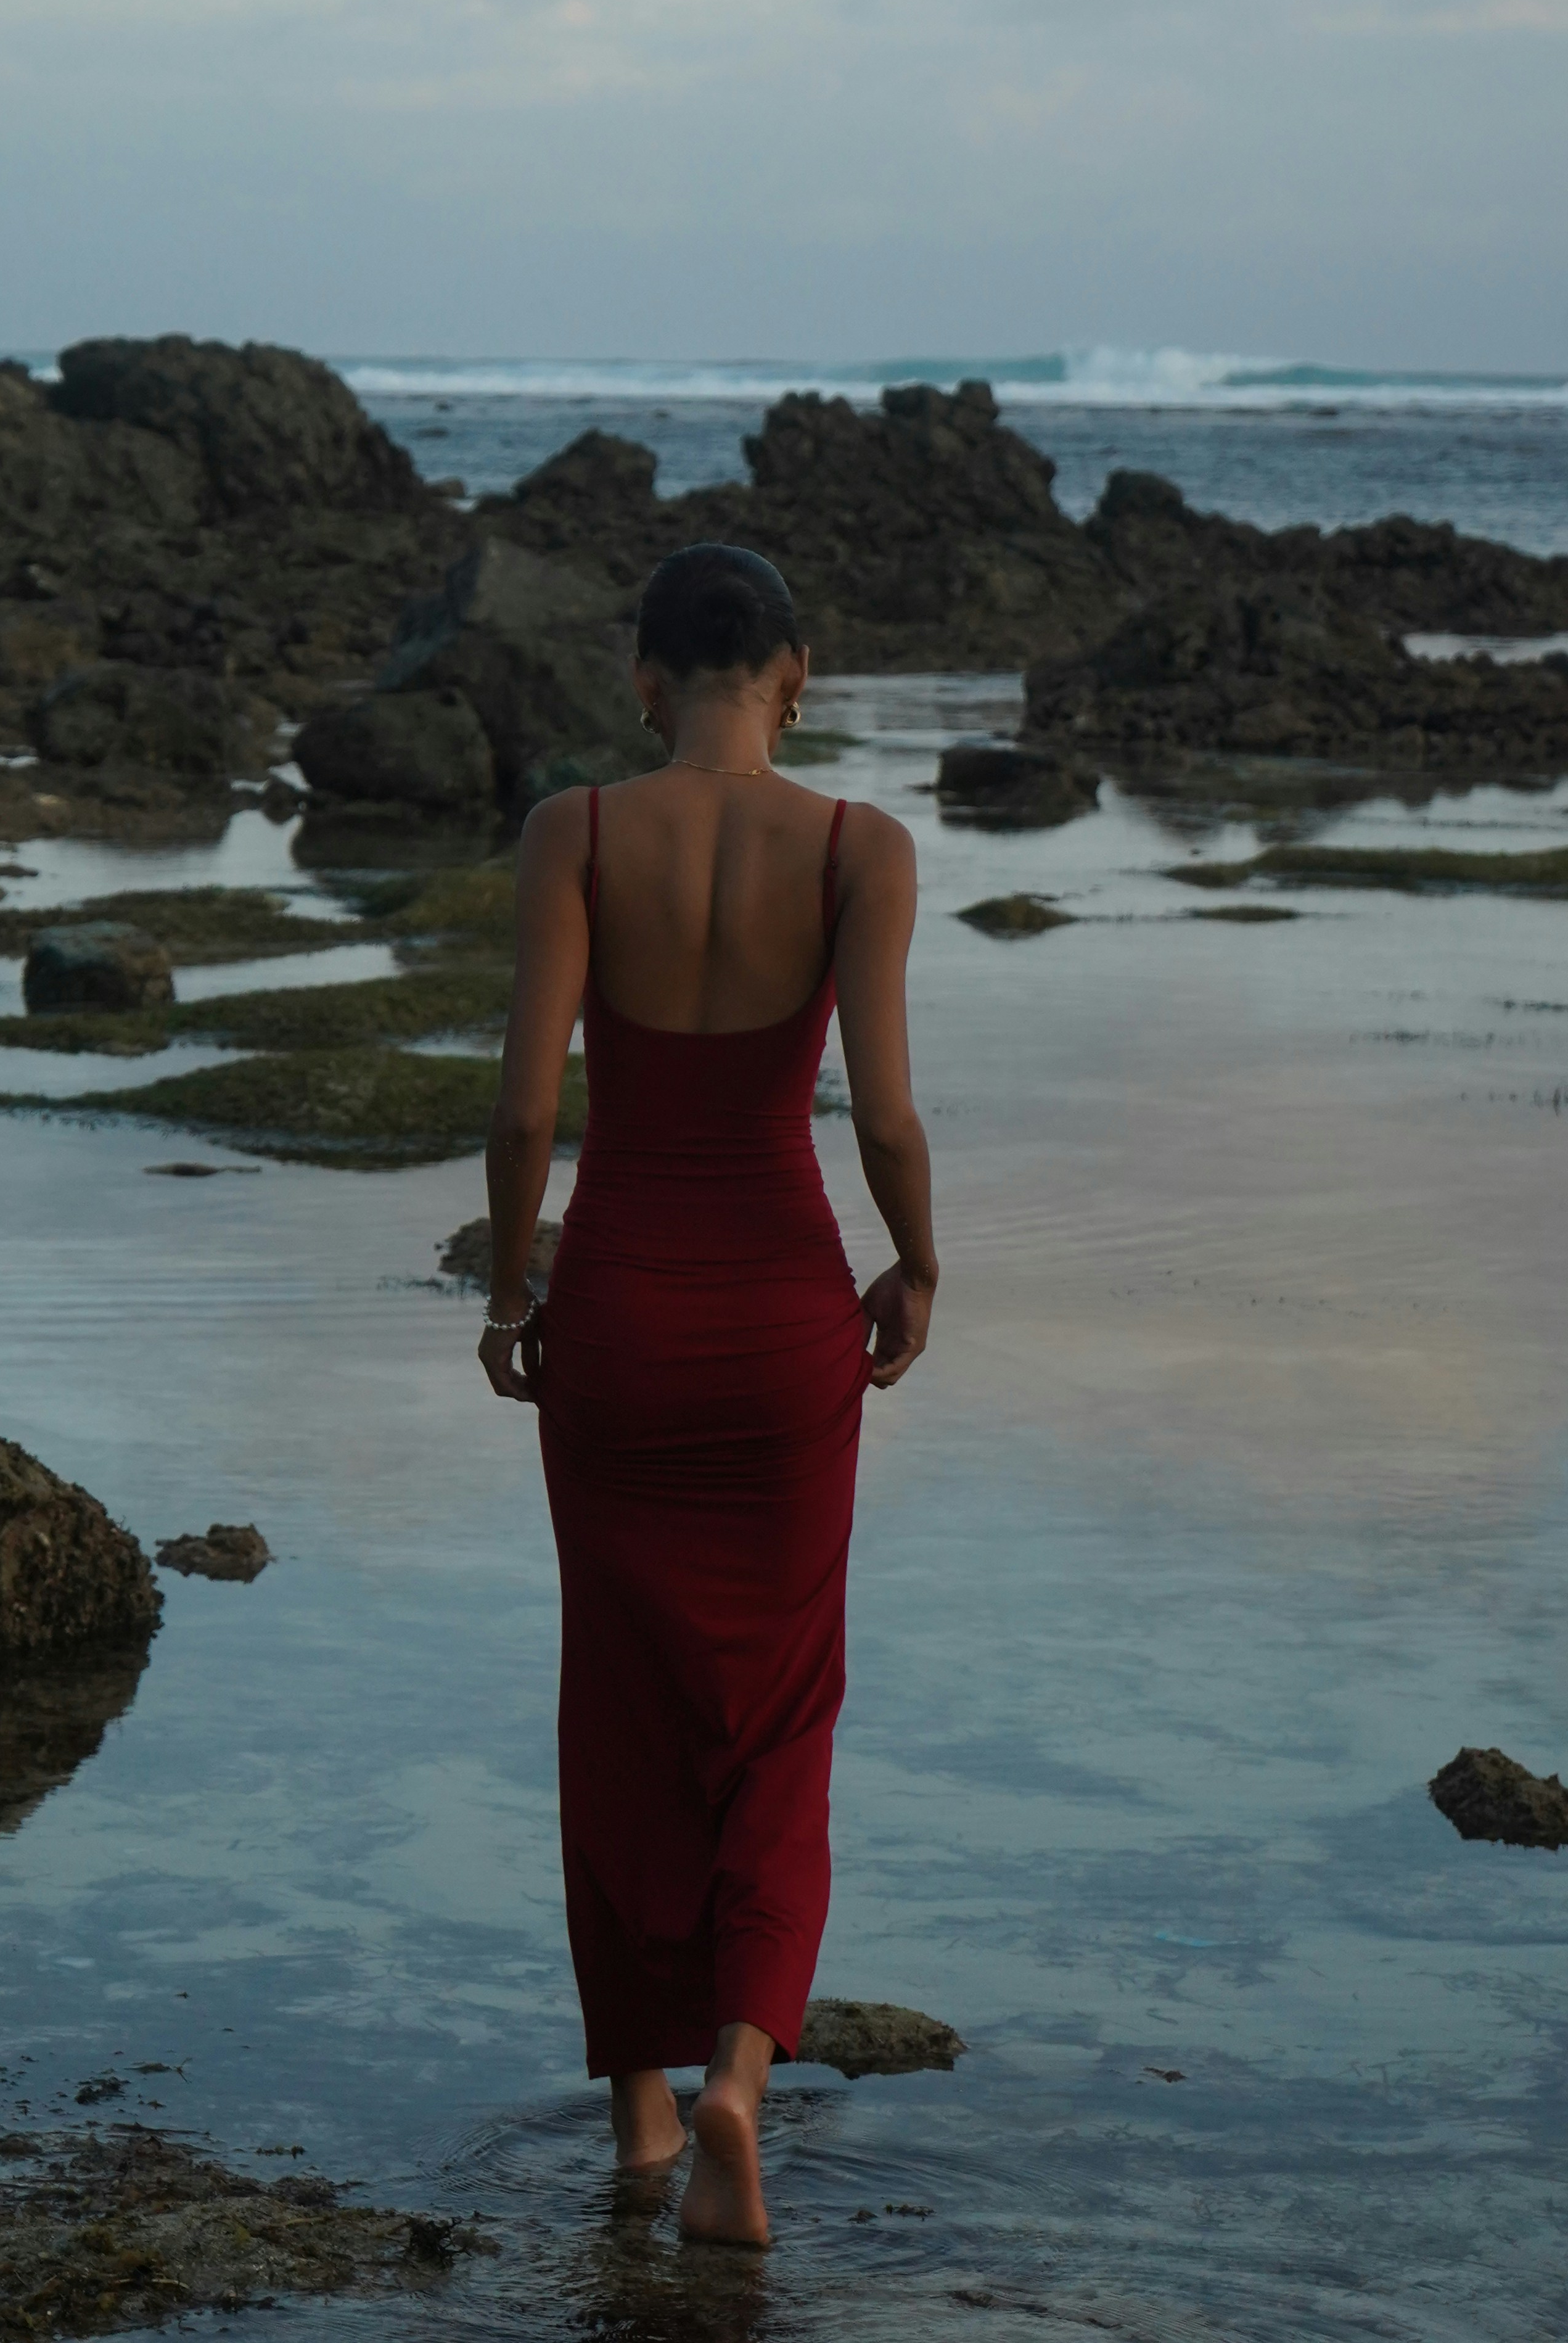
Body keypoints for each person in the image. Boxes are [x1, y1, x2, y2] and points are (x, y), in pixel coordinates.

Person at [478, 540, 937, 2250]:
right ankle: (745, 2072)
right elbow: (883, 1118)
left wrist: (514, 1278)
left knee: (622, 1704)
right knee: (781, 1713)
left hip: (618, 1322)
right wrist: (921, 1264)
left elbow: (529, 1109)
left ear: (642, 682)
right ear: (798, 678)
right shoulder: (861, 849)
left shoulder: (577, 833)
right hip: (777, 1322)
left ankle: (644, 2121)